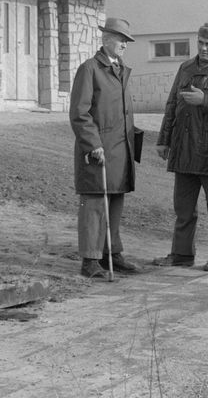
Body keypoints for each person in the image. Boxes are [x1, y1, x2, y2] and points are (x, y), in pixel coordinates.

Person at [153, 21, 208, 271]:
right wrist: (164, 140)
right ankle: (181, 254)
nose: (203, 48)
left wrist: (206, 100)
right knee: (183, 209)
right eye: (200, 43)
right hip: (183, 147)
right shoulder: (185, 68)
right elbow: (172, 104)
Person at [69, 17, 139, 279]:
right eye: (121, 39)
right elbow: (80, 112)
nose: (124, 45)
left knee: (116, 202)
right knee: (95, 204)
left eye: (127, 41)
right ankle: (90, 261)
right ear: (106, 39)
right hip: (98, 152)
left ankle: (113, 253)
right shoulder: (89, 69)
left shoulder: (121, 70)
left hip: (120, 150)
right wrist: (93, 144)